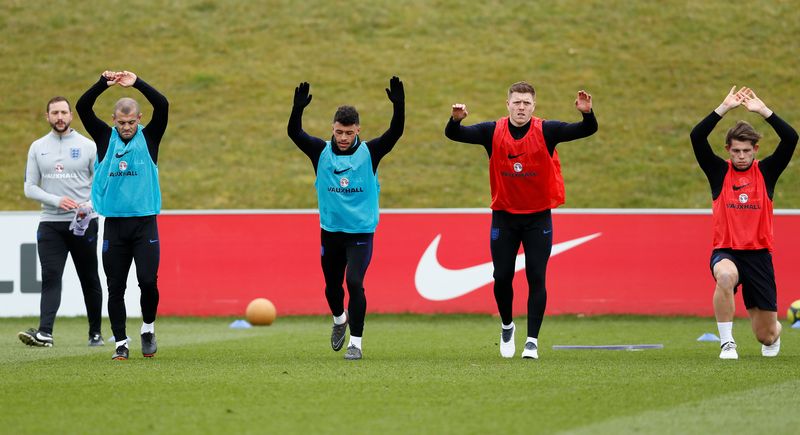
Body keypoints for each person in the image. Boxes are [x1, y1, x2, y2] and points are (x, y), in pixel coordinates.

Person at [445, 81, 597, 359]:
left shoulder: (547, 130)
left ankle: (532, 341)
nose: (521, 107)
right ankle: (507, 326)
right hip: (504, 217)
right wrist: (455, 121)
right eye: (516, 102)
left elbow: (587, 129)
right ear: (508, 105)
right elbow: (454, 135)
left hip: (538, 218)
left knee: (536, 277)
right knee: (501, 277)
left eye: (526, 103)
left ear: (533, 106)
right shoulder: (492, 131)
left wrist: (587, 114)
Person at [287, 77, 404, 360]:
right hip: (331, 232)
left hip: (361, 232)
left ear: (357, 130)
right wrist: (297, 108)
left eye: (348, 133)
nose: (343, 138)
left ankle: (356, 343)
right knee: (332, 287)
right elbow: (294, 132)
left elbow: (395, 132)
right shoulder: (320, 152)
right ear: (332, 129)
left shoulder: (370, 153)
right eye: (339, 132)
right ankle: (340, 319)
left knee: (354, 282)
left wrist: (399, 106)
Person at [690, 86, 797, 360]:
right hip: (726, 251)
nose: (740, 155)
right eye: (735, 150)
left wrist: (764, 111)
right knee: (725, 276)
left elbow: (791, 138)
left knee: (766, 335)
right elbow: (696, 136)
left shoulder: (767, 172)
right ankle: (727, 344)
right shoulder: (718, 172)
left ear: (755, 150)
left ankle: (774, 331)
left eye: (746, 151)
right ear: (728, 150)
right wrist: (724, 108)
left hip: (759, 256)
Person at [76, 71, 169, 360]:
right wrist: (102, 84)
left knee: (148, 281)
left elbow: (163, 104)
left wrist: (137, 82)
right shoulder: (105, 138)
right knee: (115, 287)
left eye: (131, 122)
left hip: (145, 224)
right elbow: (82, 107)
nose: (126, 127)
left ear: (139, 118)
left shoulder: (150, 138)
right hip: (115, 226)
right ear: (114, 120)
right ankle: (120, 343)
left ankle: (148, 329)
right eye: (121, 122)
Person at [19, 96, 104, 348]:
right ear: (47, 116)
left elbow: (101, 185)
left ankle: (95, 333)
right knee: (51, 276)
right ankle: (45, 332)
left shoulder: (88, 146)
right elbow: (30, 187)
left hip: (83, 223)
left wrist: (89, 206)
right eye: (54, 113)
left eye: (63, 112)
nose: (59, 117)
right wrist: (57, 200)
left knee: (89, 277)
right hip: (50, 223)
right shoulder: (37, 147)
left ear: (71, 116)